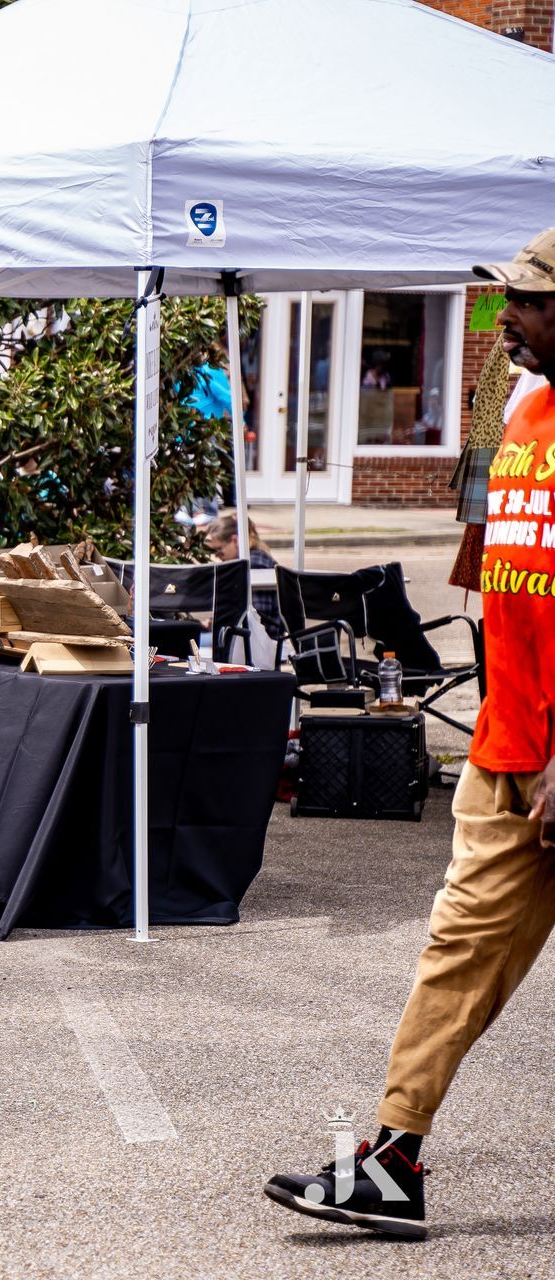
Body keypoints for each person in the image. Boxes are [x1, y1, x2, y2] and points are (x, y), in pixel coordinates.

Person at [264, 228, 555, 1240]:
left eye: (530, 300)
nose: (506, 316)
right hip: (507, 752)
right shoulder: (522, 409)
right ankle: (391, 1160)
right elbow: (498, 581)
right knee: (454, 953)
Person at [201, 512, 283, 641]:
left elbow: (257, 616)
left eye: (218, 549)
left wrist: (217, 623)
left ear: (234, 540)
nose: (216, 556)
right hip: (248, 637)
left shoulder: (255, 564)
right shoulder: (251, 560)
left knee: (190, 642)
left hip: (257, 641)